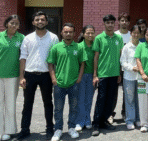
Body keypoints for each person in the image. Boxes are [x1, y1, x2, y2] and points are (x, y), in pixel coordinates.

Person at [15, 11, 59, 140]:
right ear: (33, 22)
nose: (40, 22)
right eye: (37, 20)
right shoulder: (27, 38)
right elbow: (23, 57)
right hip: (30, 75)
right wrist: (21, 77)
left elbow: (56, 58)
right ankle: (24, 130)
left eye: (42, 20)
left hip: (46, 75)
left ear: (46, 22)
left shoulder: (53, 38)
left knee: (48, 103)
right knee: (27, 104)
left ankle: (50, 129)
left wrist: (54, 76)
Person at [47, 23, 86, 141]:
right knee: (58, 108)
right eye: (66, 32)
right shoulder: (56, 47)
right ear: (62, 33)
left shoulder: (79, 47)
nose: (68, 34)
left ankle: (71, 128)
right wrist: (53, 79)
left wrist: (79, 78)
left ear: (74, 33)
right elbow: (50, 64)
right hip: (59, 83)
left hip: (74, 83)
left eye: (70, 32)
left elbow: (82, 63)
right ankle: (58, 129)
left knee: (74, 107)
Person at [91, 14, 124, 137]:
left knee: (111, 100)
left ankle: (104, 122)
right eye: (108, 23)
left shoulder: (118, 38)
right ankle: (96, 124)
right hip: (103, 74)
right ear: (104, 24)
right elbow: (96, 57)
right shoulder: (99, 38)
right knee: (101, 99)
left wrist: (120, 73)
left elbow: (121, 57)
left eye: (112, 23)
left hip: (114, 74)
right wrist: (95, 74)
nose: (110, 25)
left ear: (114, 24)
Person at [0, 15, 24, 141]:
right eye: (11, 23)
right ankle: (0, 131)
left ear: (19, 26)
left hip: (13, 76)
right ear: (7, 23)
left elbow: (24, 56)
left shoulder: (21, 38)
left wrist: (22, 76)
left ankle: (9, 131)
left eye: (16, 23)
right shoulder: (0, 36)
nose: (14, 25)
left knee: (10, 104)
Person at [109, 13, 131, 124]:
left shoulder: (131, 35)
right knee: (113, 93)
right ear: (119, 22)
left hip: (127, 68)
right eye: (122, 20)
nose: (124, 22)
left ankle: (125, 112)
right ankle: (110, 114)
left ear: (129, 23)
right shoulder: (115, 34)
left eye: (126, 21)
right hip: (115, 68)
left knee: (127, 92)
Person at [120, 25, 141, 130]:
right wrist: (132, 68)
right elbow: (122, 62)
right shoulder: (127, 47)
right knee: (130, 99)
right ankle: (129, 120)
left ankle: (138, 119)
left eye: (138, 33)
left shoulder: (142, 46)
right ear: (131, 33)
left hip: (141, 77)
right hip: (129, 77)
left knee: (139, 99)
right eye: (134, 32)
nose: (136, 35)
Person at [75, 25, 96, 132]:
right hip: (81, 76)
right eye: (88, 33)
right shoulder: (78, 46)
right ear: (83, 34)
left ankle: (87, 120)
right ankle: (79, 121)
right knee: (80, 99)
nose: (90, 35)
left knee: (89, 99)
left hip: (92, 76)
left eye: (92, 32)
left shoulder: (95, 46)